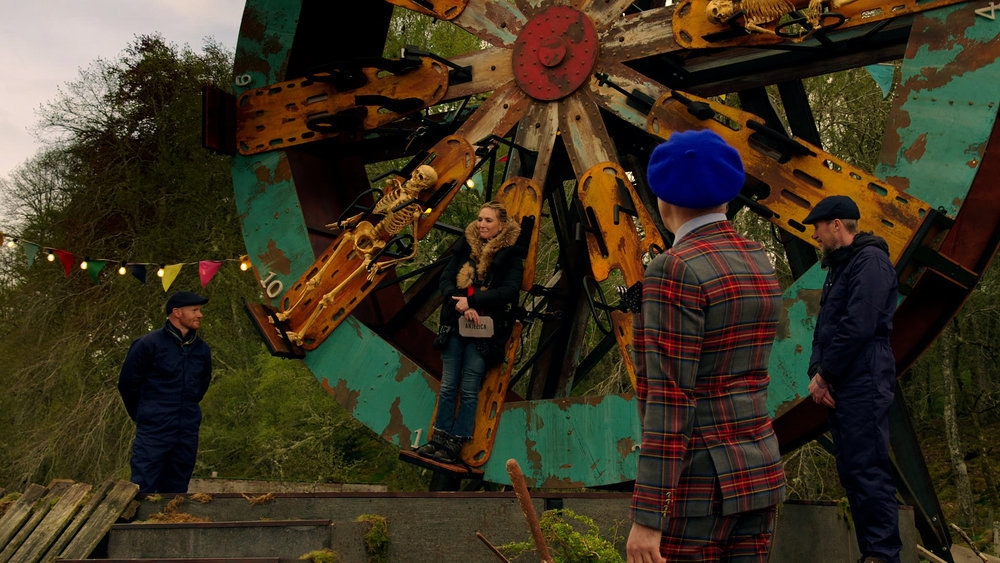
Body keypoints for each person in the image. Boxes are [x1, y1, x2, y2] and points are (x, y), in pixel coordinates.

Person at [627, 129, 786, 563]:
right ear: (729, 193)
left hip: (699, 487)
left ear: (663, 197)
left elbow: (670, 398)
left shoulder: (673, 269)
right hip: (759, 472)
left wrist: (647, 516)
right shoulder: (757, 258)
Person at [804, 195, 901, 563]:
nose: (815, 236)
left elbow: (859, 325)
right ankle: (870, 553)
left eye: (817, 227)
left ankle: (882, 554)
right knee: (851, 469)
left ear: (836, 225)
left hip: (865, 374)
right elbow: (824, 327)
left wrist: (827, 374)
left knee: (868, 466)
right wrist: (817, 371)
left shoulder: (871, 262)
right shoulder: (839, 267)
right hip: (843, 377)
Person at [416, 201, 524, 464]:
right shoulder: (464, 247)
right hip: (456, 324)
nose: (482, 224)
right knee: (449, 385)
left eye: (488, 220)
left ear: (501, 225)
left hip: (485, 332)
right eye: (479, 219)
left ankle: (455, 444)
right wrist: (462, 306)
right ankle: (438, 439)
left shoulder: (510, 255)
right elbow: (446, 281)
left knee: (469, 387)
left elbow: (509, 291)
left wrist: (473, 302)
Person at [118, 290, 212, 494]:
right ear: (177, 313)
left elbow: (202, 384)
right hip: (155, 427)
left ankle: (171, 522)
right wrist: (145, 413)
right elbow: (127, 384)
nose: (200, 315)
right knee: (144, 483)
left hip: (187, 426)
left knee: (178, 484)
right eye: (194, 310)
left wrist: (186, 409)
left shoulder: (202, 350)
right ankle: (141, 525)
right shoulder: (148, 344)